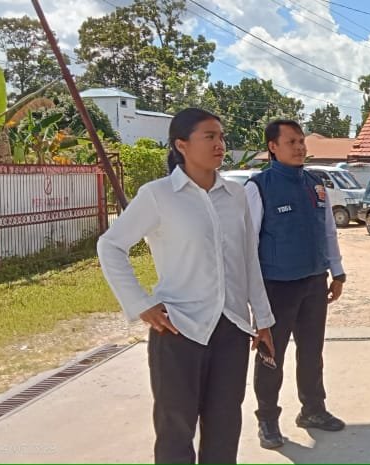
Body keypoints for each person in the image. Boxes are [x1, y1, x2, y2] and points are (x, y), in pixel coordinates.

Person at [97, 108, 276, 464]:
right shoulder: (158, 195)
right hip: (178, 329)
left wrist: (263, 318)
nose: (219, 144)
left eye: (221, 136)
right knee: (175, 430)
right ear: (181, 145)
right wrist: (141, 303)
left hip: (231, 328)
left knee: (225, 425)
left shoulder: (235, 195)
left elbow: (248, 260)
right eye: (209, 136)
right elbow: (111, 246)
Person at [246, 119, 347, 449]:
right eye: (291, 141)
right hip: (276, 286)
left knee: (312, 351)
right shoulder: (258, 187)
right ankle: (267, 419)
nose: (300, 147)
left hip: (314, 281)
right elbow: (247, 244)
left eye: (301, 141)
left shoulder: (315, 184)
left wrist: (337, 271)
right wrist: (252, 295)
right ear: (273, 147)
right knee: (270, 354)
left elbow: (328, 230)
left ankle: (313, 410)